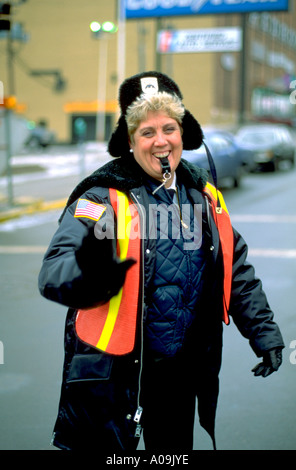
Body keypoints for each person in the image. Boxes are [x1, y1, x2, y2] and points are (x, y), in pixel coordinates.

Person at [38, 71, 284, 452]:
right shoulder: (101, 197)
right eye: (147, 132)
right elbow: (56, 269)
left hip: (179, 378)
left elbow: (235, 269)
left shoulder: (204, 197)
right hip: (115, 377)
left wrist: (263, 332)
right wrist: (93, 276)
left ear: (182, 134)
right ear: (131, 142)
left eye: (168, 128)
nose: (160, 141)